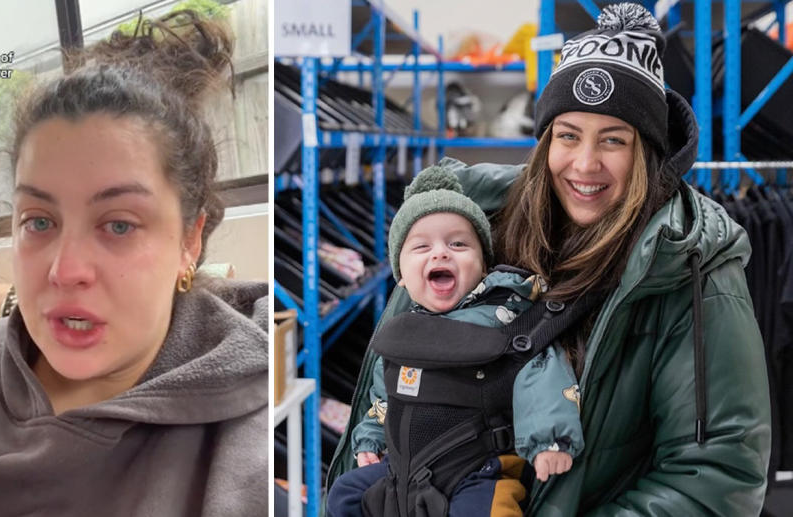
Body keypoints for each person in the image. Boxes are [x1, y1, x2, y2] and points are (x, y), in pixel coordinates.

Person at [327, 3, 771, 516]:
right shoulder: (466, 232)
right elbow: (395, 376)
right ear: (545, 142)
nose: (585, 164)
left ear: (646, 152)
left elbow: (717, 479)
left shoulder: (691, 266)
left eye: (614, 140)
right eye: (568, 135)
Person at [0, 10, 267, 517]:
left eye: (119, 225)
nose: (66, 270)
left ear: (190, 241)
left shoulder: (253, 443)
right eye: (39, 222)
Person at [327, 166, 584, 517]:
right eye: (421, 247)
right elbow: (384, 397)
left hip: (480, 471)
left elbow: (540, 372)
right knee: (346, 492)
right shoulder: (405, 333)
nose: (440, 253)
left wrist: (549, 439)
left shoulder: (503, 316)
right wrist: (370, 438)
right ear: (401, 278)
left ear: (484, 265)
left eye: (458, 243)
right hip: (405, 469)